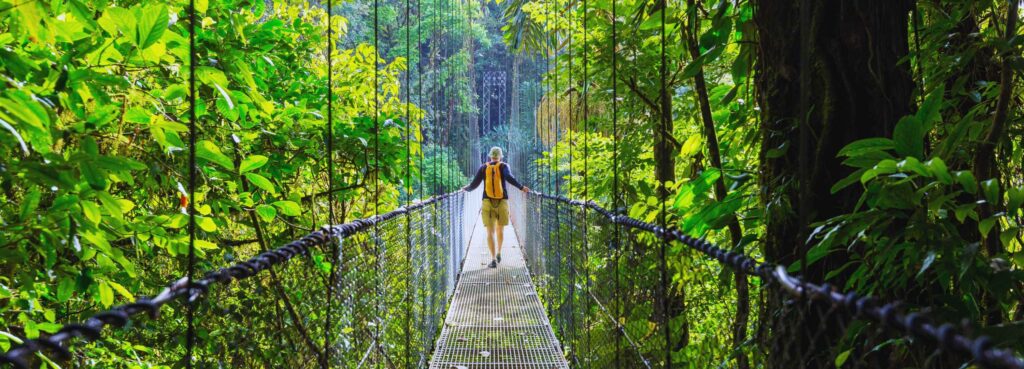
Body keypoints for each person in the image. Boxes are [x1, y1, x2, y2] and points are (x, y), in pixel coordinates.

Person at [462, 147, 530, 268]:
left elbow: (474, 184)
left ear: (490, 156)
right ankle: (499, 252)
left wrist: (466, 189)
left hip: (487, 201)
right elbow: (509, 178)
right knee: (500, 229)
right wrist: (521, 187)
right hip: (502, 201)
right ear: (500, 156)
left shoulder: (483, 167)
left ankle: (493, 259)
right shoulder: (504, 166)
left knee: (490, 231)